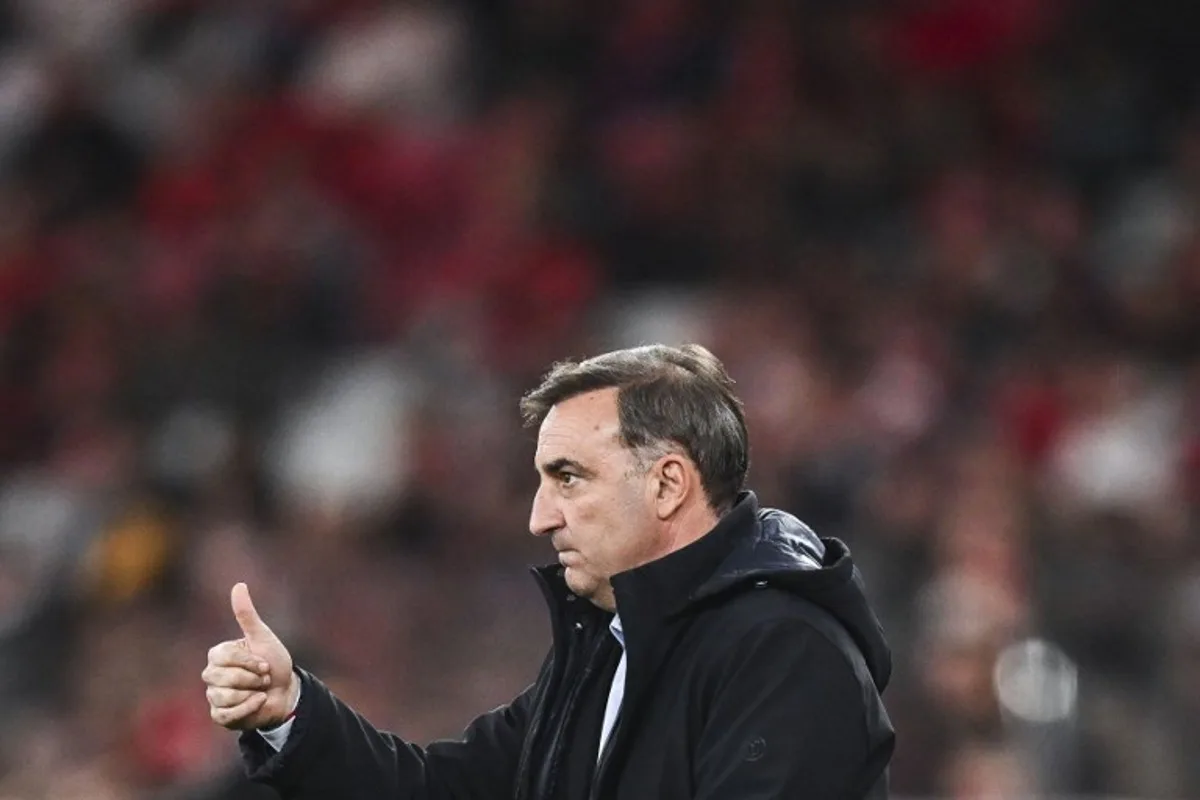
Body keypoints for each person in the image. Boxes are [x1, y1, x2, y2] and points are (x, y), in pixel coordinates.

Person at [202, 343, 895, 798]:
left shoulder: (783, 651)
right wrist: (292, 710)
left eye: (568, 478)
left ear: (667, 484)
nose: (539, 517)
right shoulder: (608, 652)